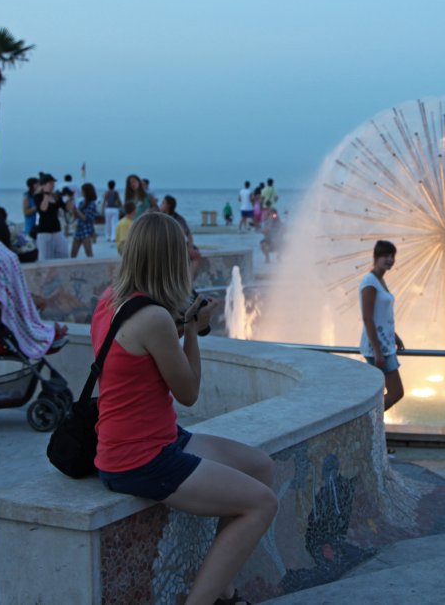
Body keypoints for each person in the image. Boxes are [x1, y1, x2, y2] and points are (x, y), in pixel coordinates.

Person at [93, 212, 274, 605]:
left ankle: (222, 588)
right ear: (171, 258)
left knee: (261, 466)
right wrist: (193, 329)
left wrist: (183, 323)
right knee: (262, 504)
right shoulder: (155, 318)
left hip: (150, 441)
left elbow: (142, 350)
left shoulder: (110, 301)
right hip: (141, 460)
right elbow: (189, 392)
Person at [359, 240, 406, 411]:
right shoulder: (370, 281)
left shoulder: (380, 280)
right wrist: (377, 352)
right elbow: (367, 318)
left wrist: (395, 335)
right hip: (378, 349)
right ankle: (368, 421)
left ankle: (370, 423)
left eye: (392, 256)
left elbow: (382, 316)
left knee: (382, 392)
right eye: (385, 256)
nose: (390, 260)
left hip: (386, 346)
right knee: (396, 392)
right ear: (375, 257)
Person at [161, 195, 201, 280]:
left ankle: (188, 281)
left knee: (196, 254)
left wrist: (190, 247)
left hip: (177, 245)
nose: (161, 204)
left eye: (163, 202)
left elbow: (188, 235)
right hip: (164, 246)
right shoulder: (159, 218)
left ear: (169, 205)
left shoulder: (178, 219)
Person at [34, 173, 67, 260]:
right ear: (45, 184)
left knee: (63, 254)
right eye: (51, 183)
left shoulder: (56, 197)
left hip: (56, 229)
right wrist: (46, 194)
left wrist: (70, 198)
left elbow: (67, 208)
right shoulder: (38, 196)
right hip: (44, 230)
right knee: (44, 256)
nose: (53, 186)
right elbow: (43, 209)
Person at [71, 183, 98, 259]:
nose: (81, 192)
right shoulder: (82, 203)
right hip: (79, 230)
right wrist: (73, 209)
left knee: (89, 253)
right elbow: (77, 217)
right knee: (73, 253)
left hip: (86, 230)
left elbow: (86, 218)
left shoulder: (92, 204)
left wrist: (77, 210)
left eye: (82, 191)